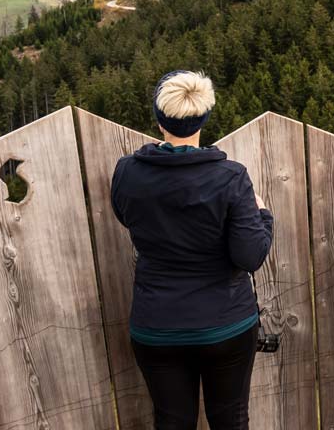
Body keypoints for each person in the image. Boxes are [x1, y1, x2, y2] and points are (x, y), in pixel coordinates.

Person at [112, 71, 273, 430]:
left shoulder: (127, 173)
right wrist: (263, 216)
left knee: (171, 422)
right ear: (204, 117)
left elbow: (125, 216)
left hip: (157, 326)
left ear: (158, 118)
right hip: (226, 326)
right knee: (230, 419)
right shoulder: (231, 178)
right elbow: (250, 257)